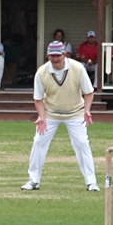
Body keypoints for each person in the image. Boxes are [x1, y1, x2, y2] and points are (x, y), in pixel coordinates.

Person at [22, 41, 100, 192]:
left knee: (82, 144)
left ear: (65, 55)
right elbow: (38, 99)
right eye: (52, 56)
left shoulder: (78, 69)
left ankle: (91, 182)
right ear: (47, 56)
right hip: (51, 113)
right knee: (38, 142)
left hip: (75, 112)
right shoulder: (42, 72)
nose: (55, 59)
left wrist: (87, 111)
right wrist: (42, 117)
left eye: (58, 55)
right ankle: (33, 180)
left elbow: (88, 92)